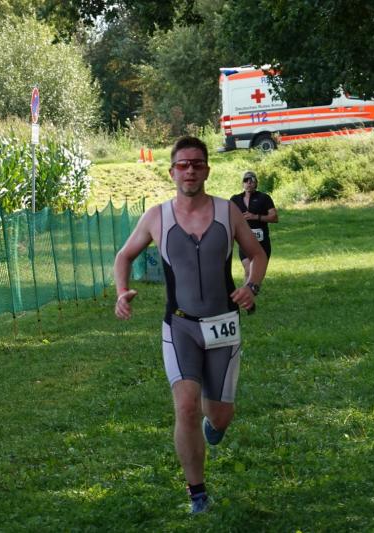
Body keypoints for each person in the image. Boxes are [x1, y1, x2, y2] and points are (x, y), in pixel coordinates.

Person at [113, 136, 267, 515]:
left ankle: (215, 425)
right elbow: (124, 256)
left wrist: (251, 287)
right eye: (183, 165)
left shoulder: (227, 212)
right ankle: (197, 492)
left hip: (223, 324)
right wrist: (121, 292)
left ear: (207, 170)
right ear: (172, 172)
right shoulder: (156, 217)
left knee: (219, 414)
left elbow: (256, 254)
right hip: (179, 326)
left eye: (197, 164)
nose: (190, 171)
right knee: (185, 407)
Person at [229, 171, 278, 279]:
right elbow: (228, 217)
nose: (249, 183)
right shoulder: (235, 199)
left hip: (262, 242)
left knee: (258, 273)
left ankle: (252, 288)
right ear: (242, 183)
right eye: (246, 181)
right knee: (248, 270)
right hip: (245, 242)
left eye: (252, 181)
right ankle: (247, 290)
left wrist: (255, 217)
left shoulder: (264, 198)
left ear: (256, 183)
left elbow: (274, 217)